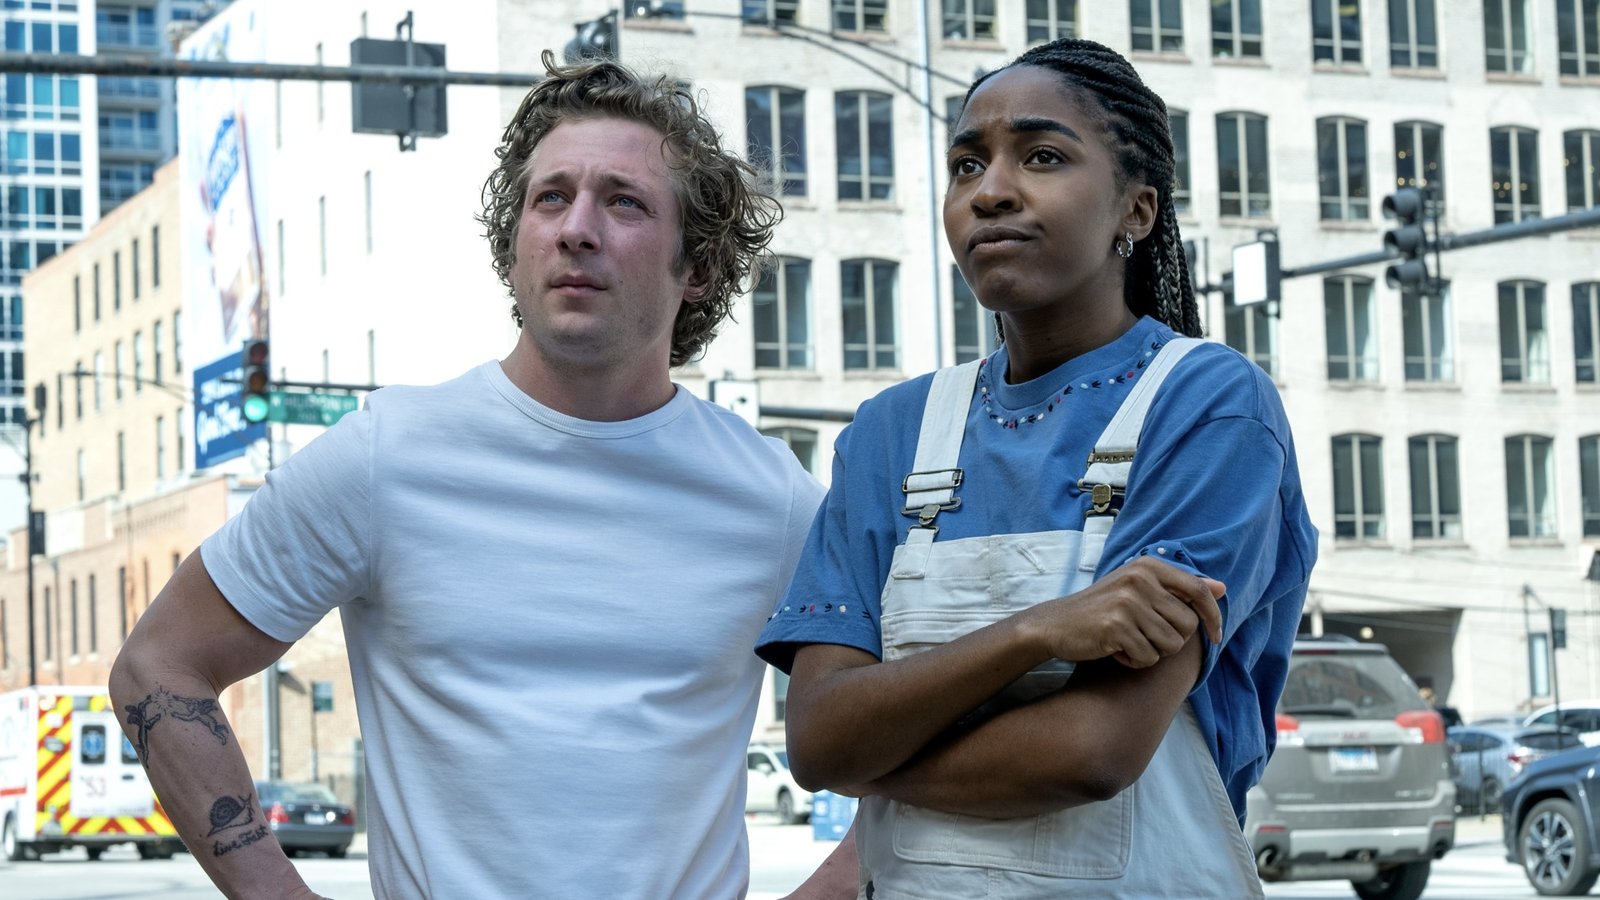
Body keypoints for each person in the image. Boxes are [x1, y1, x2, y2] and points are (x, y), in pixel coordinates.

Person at [110, 52, 857, 899]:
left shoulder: (772, 500)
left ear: (700, 270)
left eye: (624, 201)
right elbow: (158, 665)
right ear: (512, 251)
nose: (577, 227)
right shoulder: (386, 457)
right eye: (551, 197)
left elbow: (915, 718)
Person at [755, 38, 1318, 898]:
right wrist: (1041, 632)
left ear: (1136, 210)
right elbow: (818, 741)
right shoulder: (891, 432)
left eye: (1044, 156)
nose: (991, 191)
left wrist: (877, 753)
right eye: (966, 164)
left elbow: (1091, 752)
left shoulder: (1211, 405)